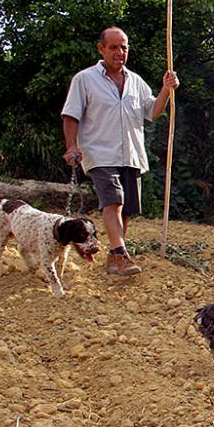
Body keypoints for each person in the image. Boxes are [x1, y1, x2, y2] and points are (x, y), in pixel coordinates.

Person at [61, 26, 180, 276]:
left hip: (131, 154)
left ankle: (116, 256)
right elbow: (71, 116)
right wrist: (71, 146)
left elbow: (153, 112)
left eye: (124, 47)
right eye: (114, 47)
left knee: (125, 208)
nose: (119, 52)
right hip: (99, 152)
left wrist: (166, 90)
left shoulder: (136, 82)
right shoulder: (85, 79)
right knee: (113, 200)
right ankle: (119, 254)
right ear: (101, 49)